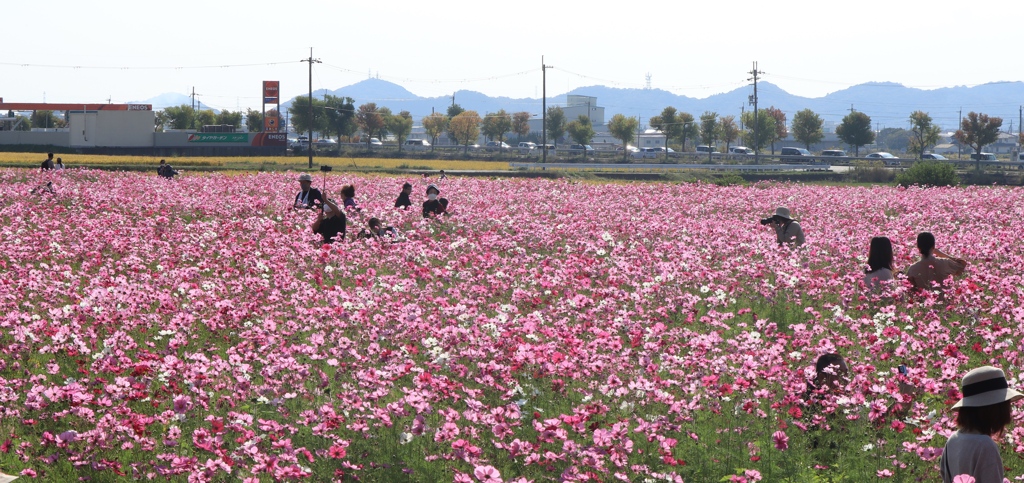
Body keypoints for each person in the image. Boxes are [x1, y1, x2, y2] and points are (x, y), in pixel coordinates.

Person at [940, 366, 1022, 483]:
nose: (1009, 410)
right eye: (1006, 404)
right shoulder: (985, 445)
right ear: (995, 408)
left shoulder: (953, 440)